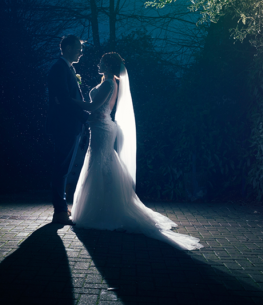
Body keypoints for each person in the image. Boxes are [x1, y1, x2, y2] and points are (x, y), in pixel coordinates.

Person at [69, 52, 203, 250]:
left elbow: (93, 106)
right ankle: (103, 209)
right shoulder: (109, 83)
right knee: (101, 164)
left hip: (102, 128)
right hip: (100, 128)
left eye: (101, 62)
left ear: (107, 65)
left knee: (99, 164)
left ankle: (100, 212)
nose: (98, 64)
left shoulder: (108, 84)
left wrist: (71, 101)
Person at [47, 35, 89, 225]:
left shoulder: (67, 68)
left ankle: (62, 208)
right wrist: (85, 114)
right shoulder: (59, 68)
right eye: (79, 48)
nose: (81, 52)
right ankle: (60, 211)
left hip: (71, 125)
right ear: (69, 48)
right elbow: (63, 99)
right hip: (64, 125)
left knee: (64, 167)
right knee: (61, 168)